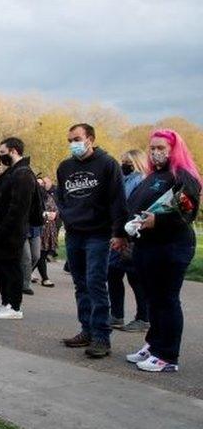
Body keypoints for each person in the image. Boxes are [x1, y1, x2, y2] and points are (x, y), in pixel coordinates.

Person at [125, 130, 200, 373]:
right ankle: (154, 344)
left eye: (161, 148)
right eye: (152, 148)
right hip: (147, 245)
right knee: (153, 299)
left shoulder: (183, 176)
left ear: (173, 149)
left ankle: (167, 355)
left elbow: (186, 212)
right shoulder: (152, 176)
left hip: (171, 246)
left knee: (166, 299)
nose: (156, 152)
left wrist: (158, 222)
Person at [55, 123, 127, 358]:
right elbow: (61, 197)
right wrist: (67, 216)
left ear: (90, 139)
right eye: (69, 141)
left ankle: (101, 336)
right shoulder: (65, 167)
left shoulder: (107, 164)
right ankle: (86, 329)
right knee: (80, 284)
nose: (73, 144)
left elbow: (117, 199)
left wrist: (119, 232)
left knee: (96, 283)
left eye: (77, 139)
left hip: (98, 233)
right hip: (75, 232)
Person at [0, 137, 38, 320]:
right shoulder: (12, 172)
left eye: (2, 153)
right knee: (1, 267)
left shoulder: (23, 174)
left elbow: (18, 209)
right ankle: (5, 301)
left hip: (12, 230)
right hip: (2, 227)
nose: (0, 157)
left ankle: (14, 306)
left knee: (11, 268)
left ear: (14, 151)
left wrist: (3, 230)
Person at [108, 150, 149, 332]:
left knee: (135, 277)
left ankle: (143, 317)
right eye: (122, 161)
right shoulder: (123, 180)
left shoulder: (141, 181)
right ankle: (116, 314)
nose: (124, 164)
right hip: (118, 233)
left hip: (132, 235)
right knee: (113, 273)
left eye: (128, 162)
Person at [32, 176, 57, 288]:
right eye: (38, 184)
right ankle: (45, 278)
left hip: (49, 229)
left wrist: (55, 214)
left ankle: (28, 273)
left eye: (43, 184)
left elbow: (55, 209)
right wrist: (45, 214)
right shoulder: (32, 197)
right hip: (37, 228)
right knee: (38, 254)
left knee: (43, 253)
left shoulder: (48, 196)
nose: (41, 186)